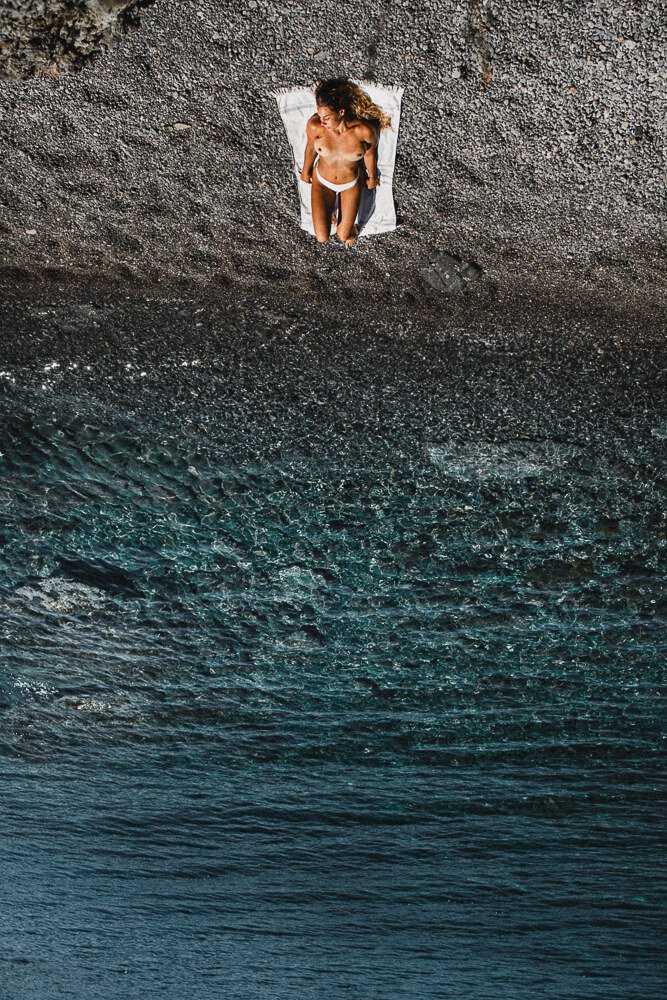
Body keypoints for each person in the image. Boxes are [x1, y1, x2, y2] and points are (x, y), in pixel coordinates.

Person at [300, 78, 392, 247]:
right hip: (322, 181)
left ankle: (338, 215)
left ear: (341, 112)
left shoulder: (364, 131)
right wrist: (305, 170)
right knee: (321, 237)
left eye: (326, 117)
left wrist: (371, 176)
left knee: (344, 235)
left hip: (351, 183)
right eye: (320, 115)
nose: (322, 121)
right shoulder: (316, 127)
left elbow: (370, 154)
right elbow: (310, 148)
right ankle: (330, 209)